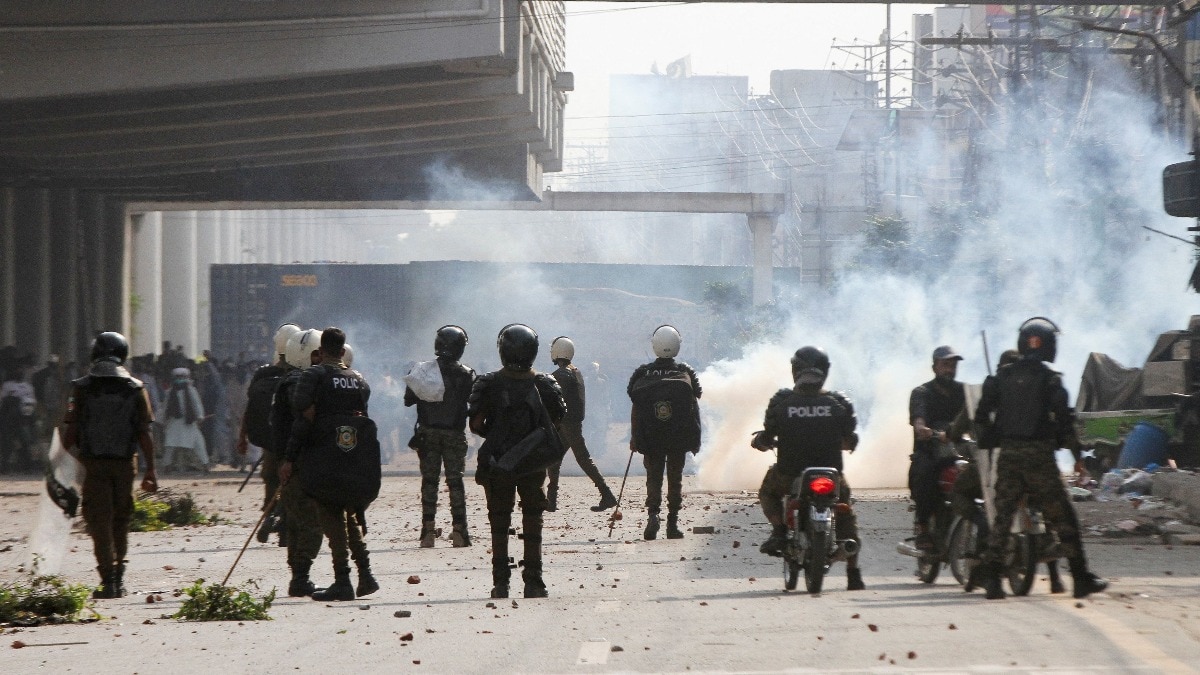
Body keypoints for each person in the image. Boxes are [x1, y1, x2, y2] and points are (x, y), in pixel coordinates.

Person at [969, 317, 1108, 600]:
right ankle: (1080, 577)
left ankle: (994, 580)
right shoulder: (1050, 380)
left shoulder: (1000, 378)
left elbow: (981, 417)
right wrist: (1076, 455)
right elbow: (1065, 423)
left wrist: (993, 439)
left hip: (1009, 456)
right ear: (1049, 347)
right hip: (1040, 459)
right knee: (1063, 517)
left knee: (1003, 519)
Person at [281, 327, 380, 602]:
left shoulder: (314, 375)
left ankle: (343, 580)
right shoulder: (358, 379)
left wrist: (289, 458)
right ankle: (366, 573)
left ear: (321, 351)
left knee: (331, 515)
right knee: (349, 516)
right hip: (353, 455)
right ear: (343, 349)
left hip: (324, 456)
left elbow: (302, 415)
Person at [754, 346, 865, 591]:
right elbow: (850, 440)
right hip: (831, 476)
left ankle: (779, 531)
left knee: (767, 492)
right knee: (845, 513)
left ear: (795, 371)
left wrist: (762, 441)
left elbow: (767, 435)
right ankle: (854, 573)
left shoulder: (781, 401)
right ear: (825, 372)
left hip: (789, 476)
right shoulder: (839, 403)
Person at [469, 324, 566, 599]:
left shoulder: (488, 383)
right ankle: (534, 581)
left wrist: (497, 435)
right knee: (533, 517)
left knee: (499, 519)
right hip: (533, 462)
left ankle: (500, 583)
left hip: (498, 462)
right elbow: (557, 420)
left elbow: (475, 424)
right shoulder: (546, 383)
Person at [61, 332, 158, 599]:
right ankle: (119, 575)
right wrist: (151, 469)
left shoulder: (80, 387)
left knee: (98, 519)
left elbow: (71, 430)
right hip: (125, 464)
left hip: (92, 464)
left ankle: (107, 579)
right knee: (121, 518)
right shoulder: (136, 388)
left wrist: (60, 463)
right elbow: (144, 433)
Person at [627, 325, 701, 540]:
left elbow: (635, 405)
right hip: (678, 436)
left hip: (651, 435)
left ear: (655, 345)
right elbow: (695, 403)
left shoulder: (643, 373)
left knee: (654, 477)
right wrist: (695, 438)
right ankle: (672, 523)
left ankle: (653, 515)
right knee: (675, 478)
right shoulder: (686, 372)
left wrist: (634, 437)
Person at [405, 325, 476, 548]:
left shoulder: (424, 371)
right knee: (456, 483)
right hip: (454, 434)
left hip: (427, 433)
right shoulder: (466, 374)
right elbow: (473, 402)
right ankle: (460, 532)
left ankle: (427, 532)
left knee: (429, 482)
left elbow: (408, 399)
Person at [236, 323, 300, 544]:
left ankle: (269, 516)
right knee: (290, 484)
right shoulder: (302, 374)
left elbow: (250, 407)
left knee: (270, 481)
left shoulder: (263, 373)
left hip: (268, 441)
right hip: (293, 441)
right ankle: (283, 528)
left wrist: (243, 436)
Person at [273, 328, 325, 596]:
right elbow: (304, 422)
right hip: (302, 462)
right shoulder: (299, 385)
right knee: (312, 521)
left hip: (290, 460)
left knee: (295, 521)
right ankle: (301, 575)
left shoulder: (287, 380)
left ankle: (298, 577)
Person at [546, 336, 618, 513]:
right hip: (571, 423)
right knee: (554, 459)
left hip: (566, 424)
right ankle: (551, 500)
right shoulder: (576, 371)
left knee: (583, 459)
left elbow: (554, 401)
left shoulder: (560, 375)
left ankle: (607, 494)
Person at [907, 345, 967, 551]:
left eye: (953, 365)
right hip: (931, 452)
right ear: (935, 367)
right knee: (923, 476)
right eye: (945, 365)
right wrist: (922, 428)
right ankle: (923, 527)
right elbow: (918, 417)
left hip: (960, 452)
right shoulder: (922, 392)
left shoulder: (963, 392)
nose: (949, 369)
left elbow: (977, 414)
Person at [161, 366, 209, 473]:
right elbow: (165, 407)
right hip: (174, 421)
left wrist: (200, 416)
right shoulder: (170, 392)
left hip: (189, 421)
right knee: (170, 445)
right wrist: (162, 420)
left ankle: (205, 465)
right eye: (178, 377)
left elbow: (197, 404)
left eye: (182, 377)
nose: (180, 379)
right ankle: (167, 466)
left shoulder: (192, 390)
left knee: (199, 444)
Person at [0, 361, 38, 473]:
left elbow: (32, 402)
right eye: (17, 370)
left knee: (25, 442)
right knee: (7, 443)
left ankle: (27, 466)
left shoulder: (28, 387)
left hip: (24, 419)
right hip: (9, 419)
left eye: (21, 370)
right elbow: (3, 400)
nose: (19, 372)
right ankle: (5, 466)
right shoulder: (7, 385)